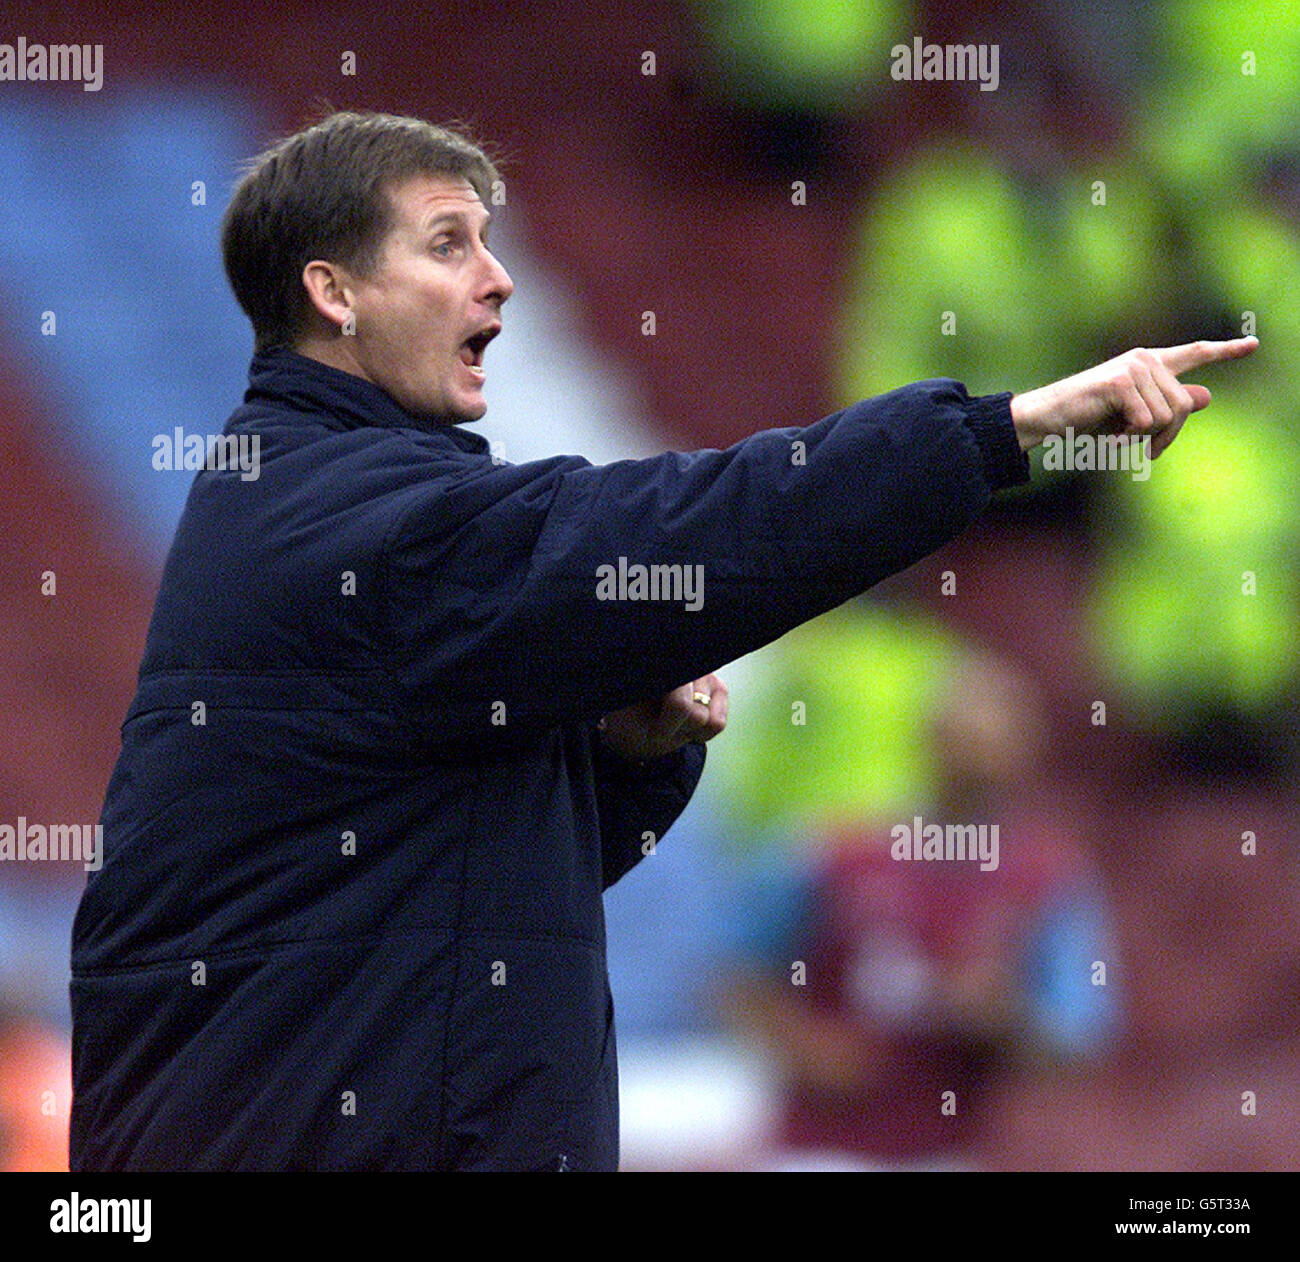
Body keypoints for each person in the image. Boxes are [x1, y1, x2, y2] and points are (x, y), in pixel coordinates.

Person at [67, 109, 1256, 1172]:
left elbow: (444, 879)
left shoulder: (330, 507)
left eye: (491, 243)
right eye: (447, 245)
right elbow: (691, 521)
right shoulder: (357, 519)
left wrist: (629, 762)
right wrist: (1001, 430)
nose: (498, 281)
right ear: (334, 294)